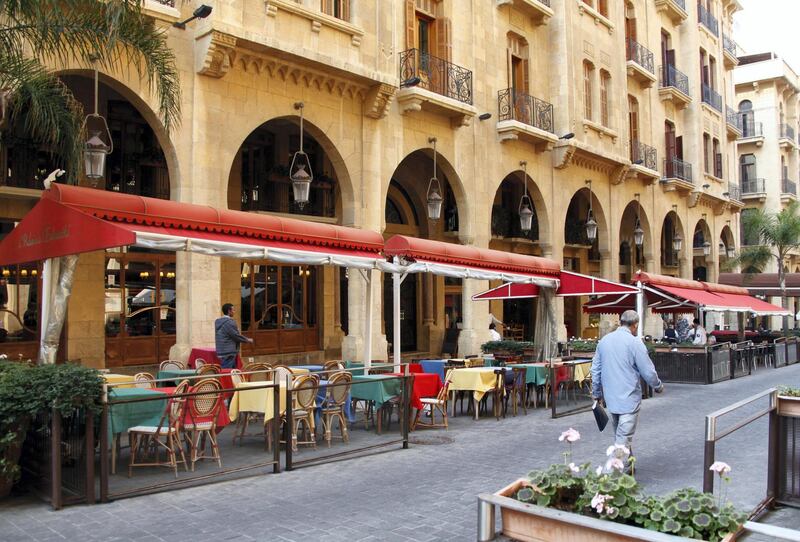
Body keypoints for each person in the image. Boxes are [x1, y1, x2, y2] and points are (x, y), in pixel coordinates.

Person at [591, 310, 663, 469]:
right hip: (629, 398)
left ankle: (630, 465)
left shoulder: (604, 341)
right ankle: (608, 478)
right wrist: (657, 386)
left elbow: (595, 370)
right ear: (635, 325)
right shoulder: (634, 343)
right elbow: (648, 370)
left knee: (621, 435)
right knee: (622, 439)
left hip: (611, 398)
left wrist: (596, 393)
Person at [214, 303, 253, 369]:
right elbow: (235, 336)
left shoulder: (218, 321)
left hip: (222, 351)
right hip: (229, 352)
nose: (234, 312)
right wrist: (247, 340)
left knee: (231, 373)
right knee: (227, 373)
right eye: (233, 310)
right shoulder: (229, 322)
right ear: (229, 311)